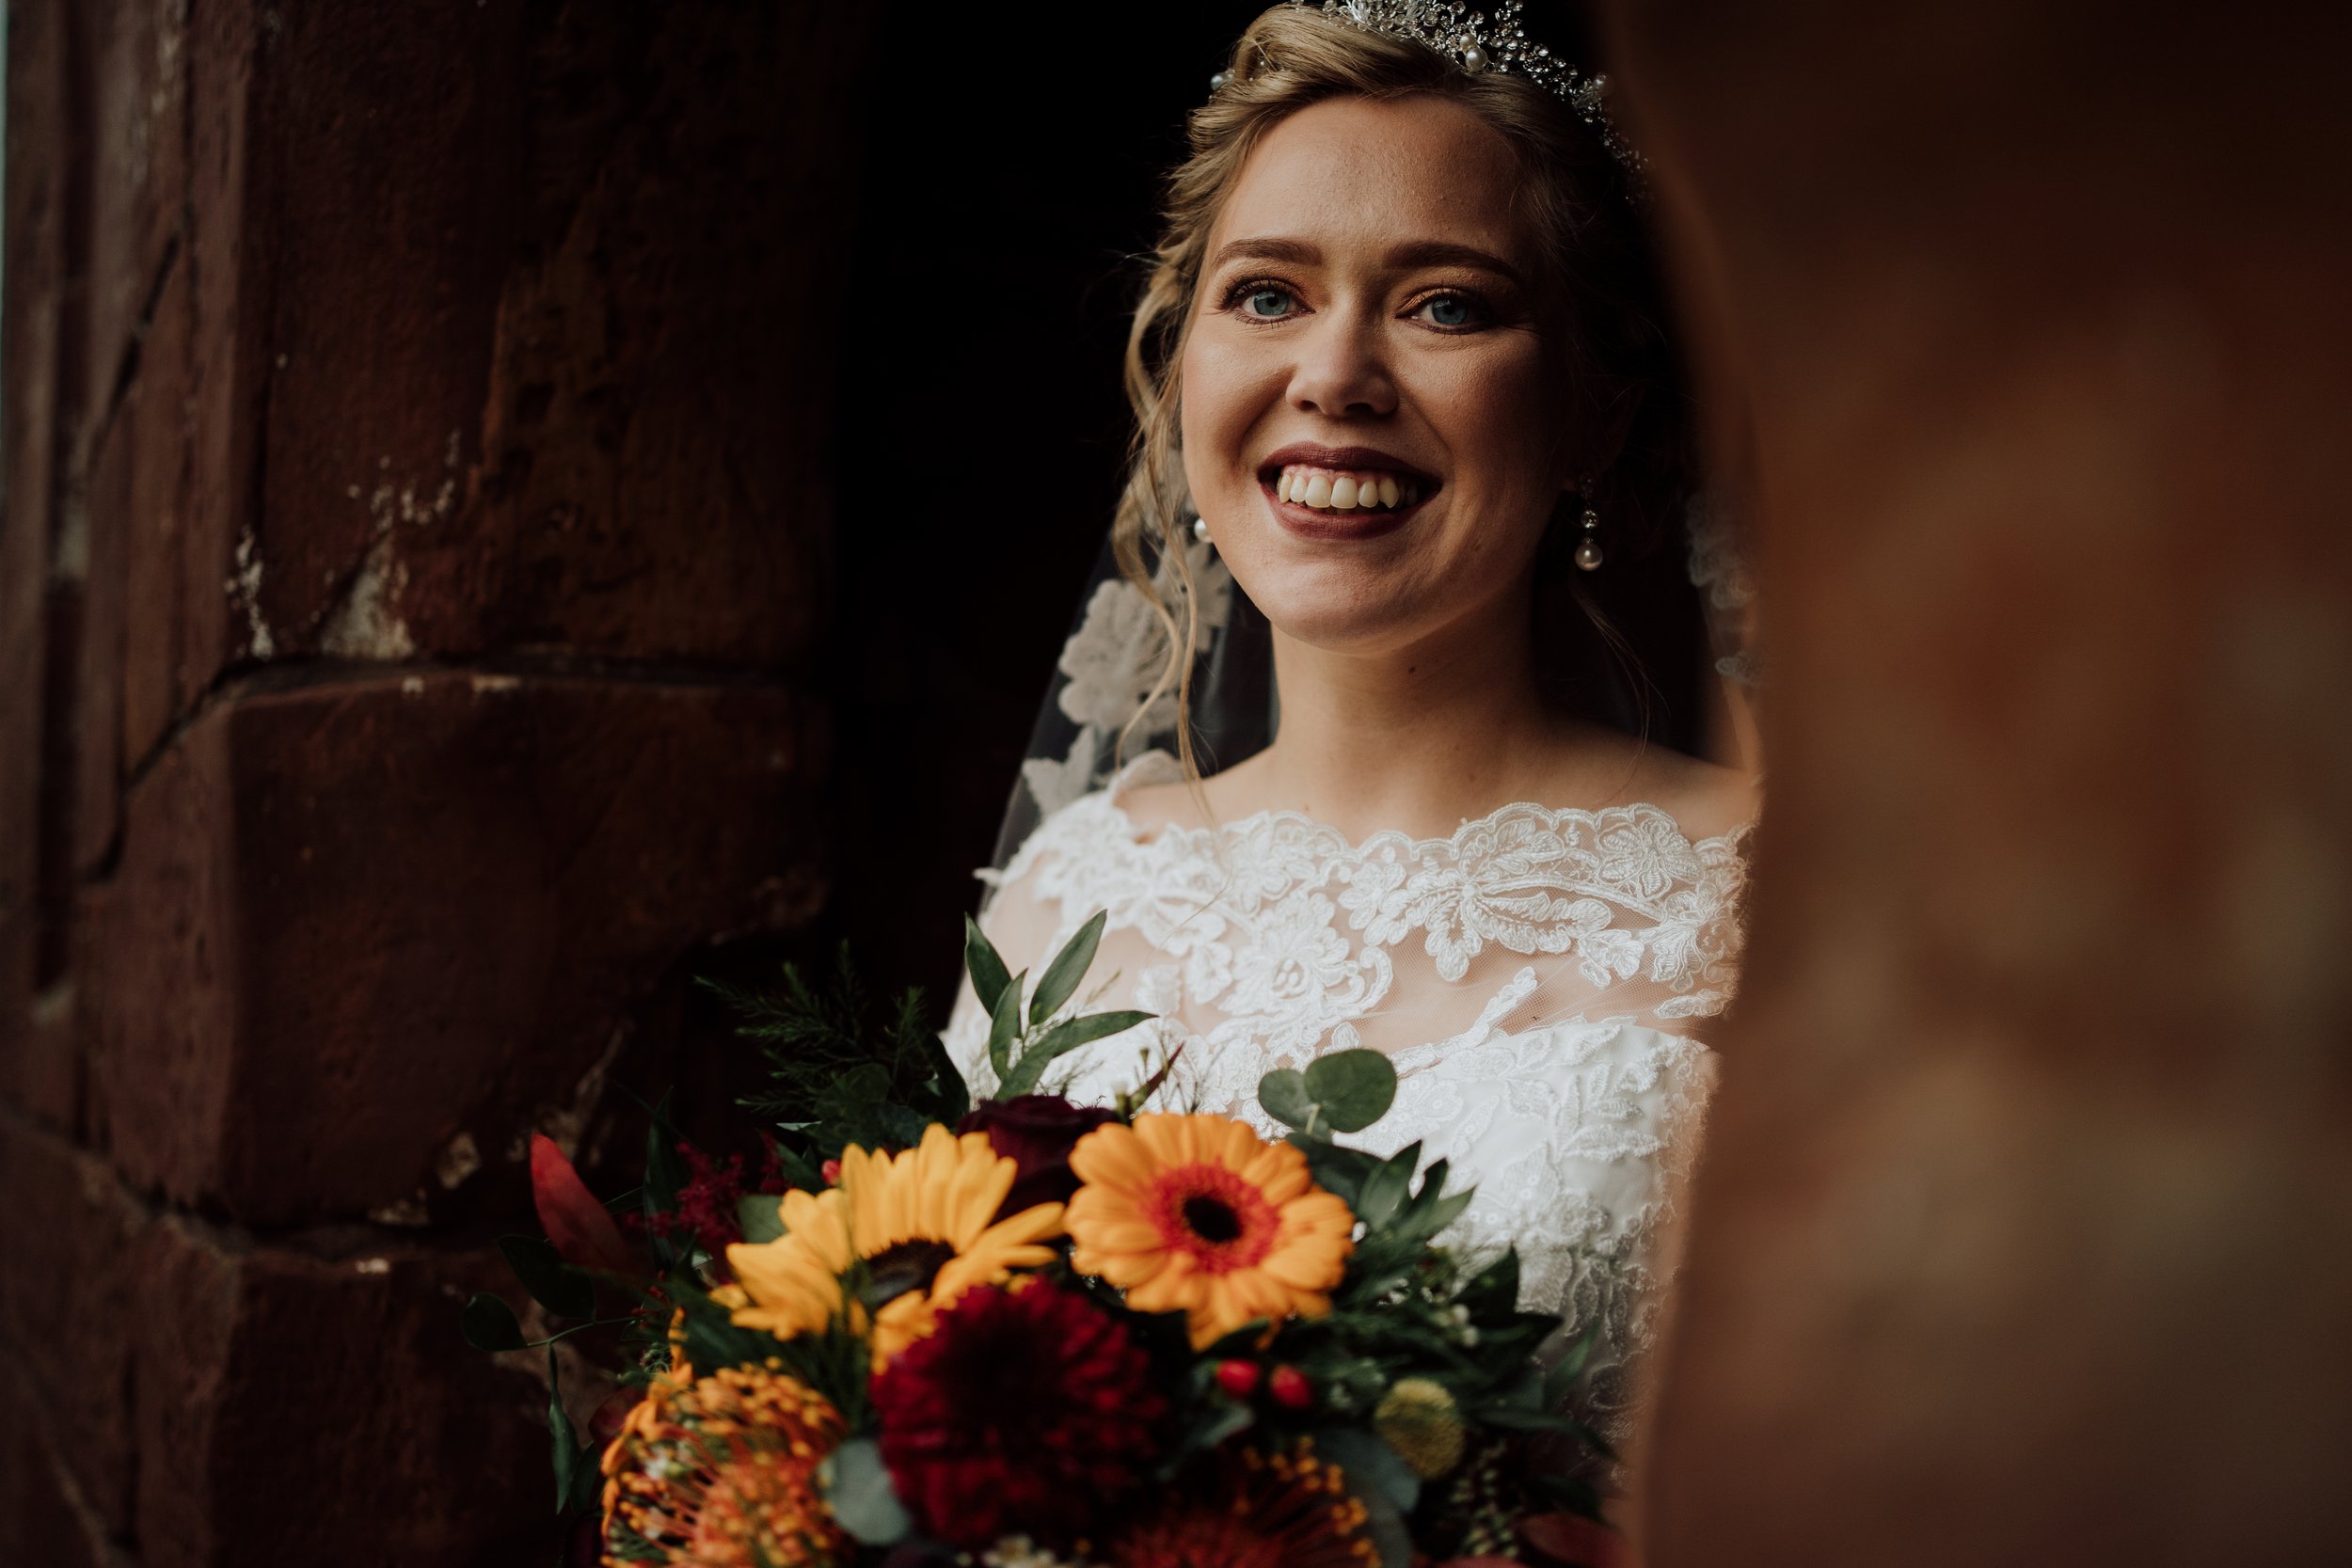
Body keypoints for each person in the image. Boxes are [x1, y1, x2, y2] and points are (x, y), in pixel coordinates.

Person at [946, 0, 1760, 1527]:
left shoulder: (1765, 905)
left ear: (1599, 404)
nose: (1336, 373)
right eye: (1265, 294)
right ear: (1181, 355)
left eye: (1447, 307)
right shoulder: (1067, 895)